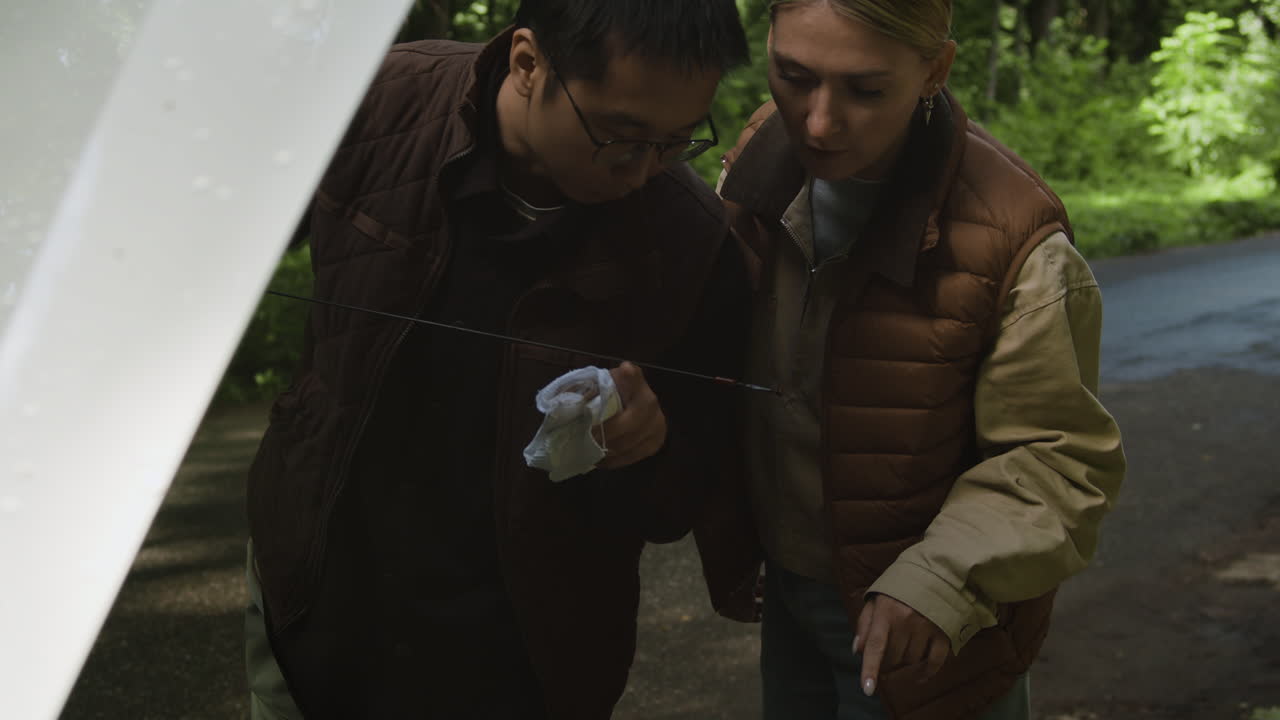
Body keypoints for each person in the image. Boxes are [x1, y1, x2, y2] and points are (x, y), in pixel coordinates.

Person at [243, 2, 751, 718]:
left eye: (676, 143)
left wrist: (652, 442)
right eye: (622, 136)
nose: (643, 172)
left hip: (520, 656)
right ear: (527, 63)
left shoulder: (692, 245)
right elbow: (225, 228)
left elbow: (682, 494)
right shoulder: (381, 102)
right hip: (315, 594)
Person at [694, 1, 1128, 719]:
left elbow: (1058, 463)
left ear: (936, 70)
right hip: (790, 594)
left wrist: (940, 582)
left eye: (865, 90)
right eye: (793, 75)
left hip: (932, 636)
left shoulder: (1016, 243)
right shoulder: (758, 159)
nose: (819, 123)